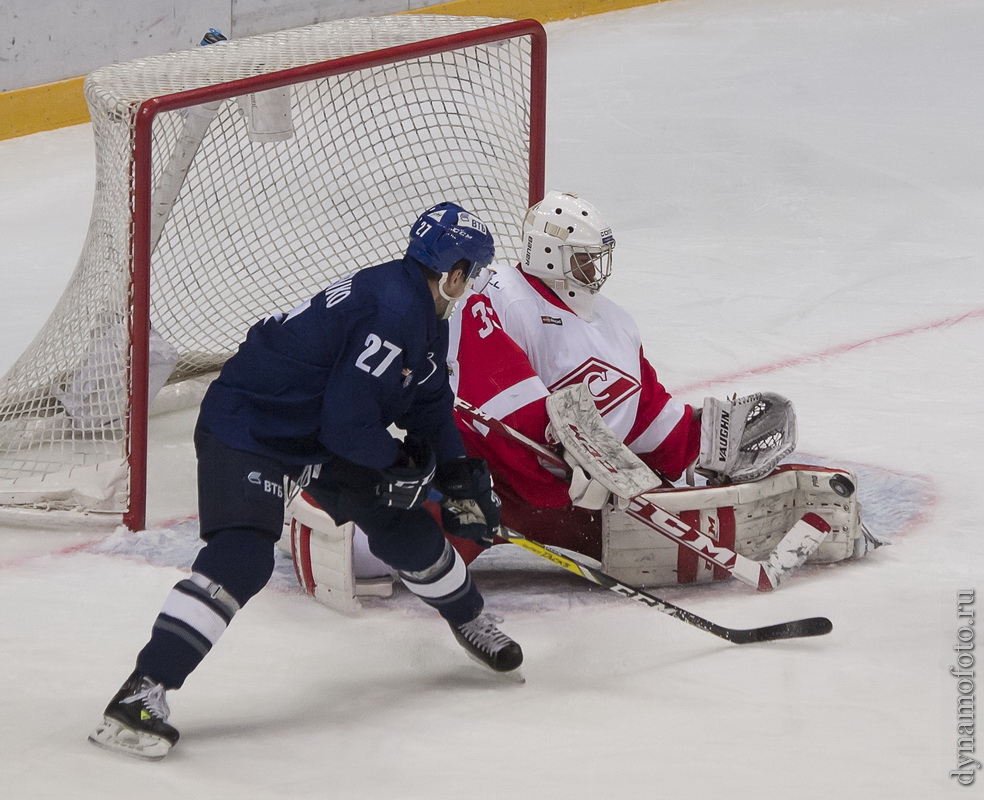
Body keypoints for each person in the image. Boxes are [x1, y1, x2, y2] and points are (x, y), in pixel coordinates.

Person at [88, 202, 520, 762]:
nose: (477, 283)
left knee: (401, 527)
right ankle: (141, 694)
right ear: (455, 272)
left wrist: (459, 475)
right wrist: (397, 465)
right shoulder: (393, 308)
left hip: (314, 430)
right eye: (476, 272)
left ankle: (470, 620)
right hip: (252, 425)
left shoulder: (421, 308)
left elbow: (430, 400)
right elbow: (349, 422)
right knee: (243, 556)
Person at [289, 191, 873, 605]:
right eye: (587, 257)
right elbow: (500, 404)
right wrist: (561, 469)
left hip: (575, 490)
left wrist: (695, 446)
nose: (598, 269)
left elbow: (642, 409)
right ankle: (325, 508)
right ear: (550, 253)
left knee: (645, 541)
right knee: (413, 544)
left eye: (601, 256)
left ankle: (775, 515)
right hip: (492, 475)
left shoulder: (616, 322)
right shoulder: (500, 295)